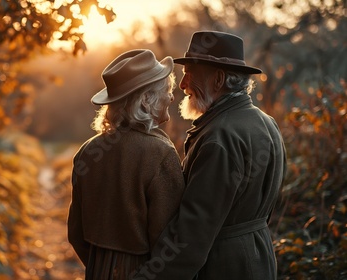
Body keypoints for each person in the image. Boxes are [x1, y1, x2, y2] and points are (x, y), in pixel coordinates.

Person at [132, 31, 287, 279]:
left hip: (223, 266)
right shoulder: (267, 123)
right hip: (260, 257)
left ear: (218, 80)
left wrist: (151, 276)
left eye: (189, 75)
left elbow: (193, 232)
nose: (182, 86)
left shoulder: (219, 136)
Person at [67, 49, 186, 279]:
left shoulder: (87, 151)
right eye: (167, 91)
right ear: (145, 101)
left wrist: (102, 264)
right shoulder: (161, 153)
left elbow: (76, 233)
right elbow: (169, 240)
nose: (171, 97)